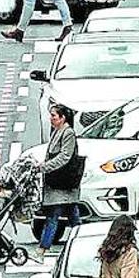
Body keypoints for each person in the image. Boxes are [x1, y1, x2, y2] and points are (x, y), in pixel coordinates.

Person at [36, 104, 82, 260]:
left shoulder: (68, 133)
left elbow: (64, 157)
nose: (51, 119)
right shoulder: (57, 132)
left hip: (63, 183)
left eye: (54, 116)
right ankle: (82, 242)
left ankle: (42, 249)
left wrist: (45, 167)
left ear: (63, 118)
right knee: (72, 216)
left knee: (53, 216)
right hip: (58, 184)